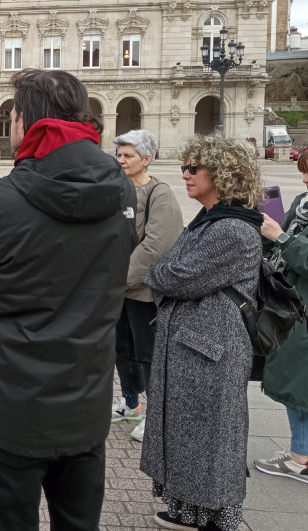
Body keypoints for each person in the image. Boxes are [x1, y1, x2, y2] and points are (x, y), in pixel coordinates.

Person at [0, 69, 137, 530]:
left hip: (10, 408)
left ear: (25, 122)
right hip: (85, 401)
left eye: (11, 116)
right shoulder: (121, 190)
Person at [141, 134, 262, 531]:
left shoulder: (232, 229)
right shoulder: (210, 221)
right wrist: (161, 274)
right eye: (185, 167)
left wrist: (159, 275)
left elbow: (174, 275)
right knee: (188, 434)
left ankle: (214, 519)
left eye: (194, 168)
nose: (186, 174)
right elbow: (169, 270)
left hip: (212, 350)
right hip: (196, 346)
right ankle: (188, 511)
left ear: (222, 174)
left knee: (211, 439)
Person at [111, 130, 182, 443]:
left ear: (147, 159)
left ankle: (157, 418)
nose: (122, 160)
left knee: (148, 354)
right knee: (121, 350)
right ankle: (131, 405)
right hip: (117, 290)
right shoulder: (117, 189)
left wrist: (119, 279)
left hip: (143, 291)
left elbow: (156, 245)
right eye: (120, 155)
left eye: (129, 155)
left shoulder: (159, 193)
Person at [256, 148, 308, 484]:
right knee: (298, 383)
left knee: (300, 383)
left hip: (307, 308)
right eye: (304, 171)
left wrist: (279, 235)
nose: (305, 179)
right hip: (293, 304)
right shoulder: (304, 205)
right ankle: (302, 453)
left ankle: (303, 458)